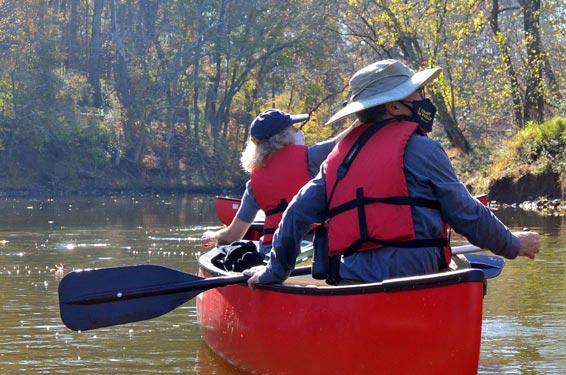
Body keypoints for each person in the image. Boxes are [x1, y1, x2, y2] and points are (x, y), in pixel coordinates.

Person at [244, 59, 540, 287]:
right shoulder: (425, 150)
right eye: (417, 92)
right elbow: (466, 214)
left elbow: (295, 214)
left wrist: (275, 270)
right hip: (419, 279)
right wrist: (513, 244)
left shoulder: (335, 159)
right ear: (394, 105)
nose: (423, 98)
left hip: (354, 281)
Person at [200, 109, 335, 253]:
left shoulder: (254, 184)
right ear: (284, 136)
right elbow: (351, 136)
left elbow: (232, 235)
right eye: (293, 128)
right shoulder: (312, 157)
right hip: (312, 250)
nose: (298, 131)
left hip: (272, 252)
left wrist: (211, 235)